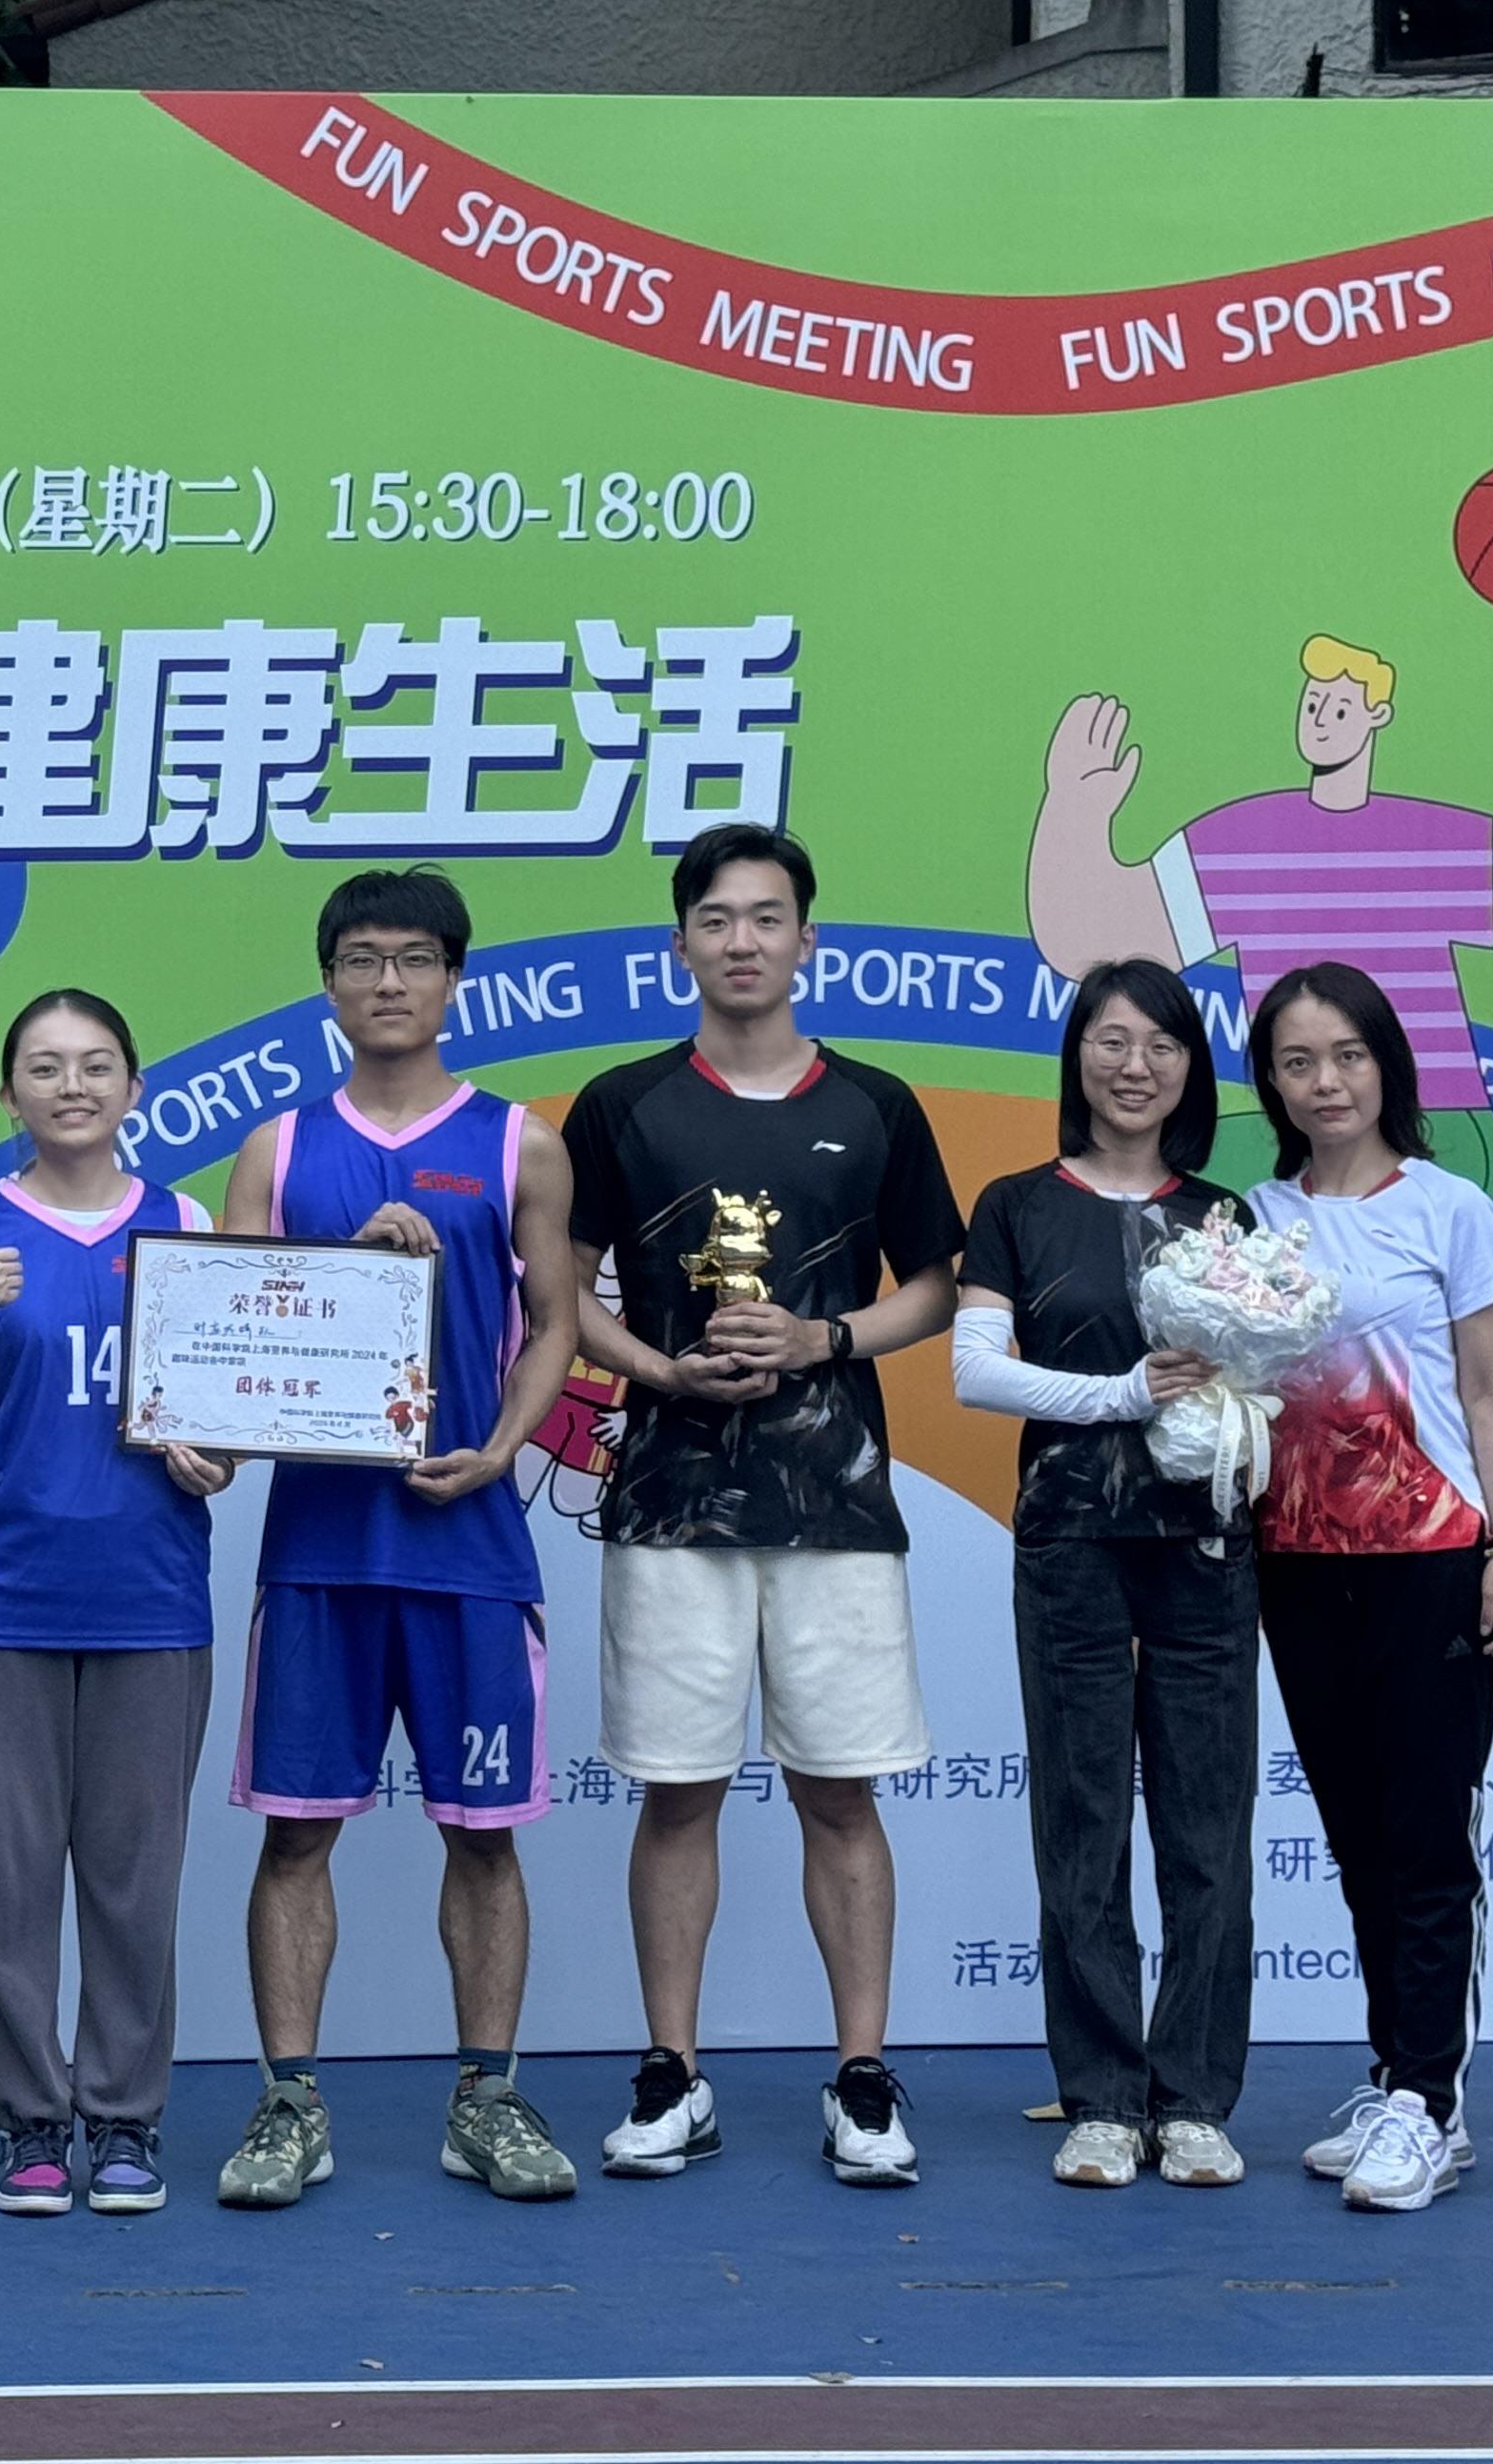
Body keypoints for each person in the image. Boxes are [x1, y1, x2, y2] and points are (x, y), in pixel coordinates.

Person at [1026, 617, 1493, 1707]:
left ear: (1378, 716)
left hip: (1439, 1126)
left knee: (1242, 1235)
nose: (1322, 717)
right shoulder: (1240, 839)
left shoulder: (1426, 836)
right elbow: (1092, 933)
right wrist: (1073, 809)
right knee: (1224, 1236)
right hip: (1291, 1166)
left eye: (1342, 703)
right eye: (1313, 701)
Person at [560, 823, 963, 2190]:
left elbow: (936, 1285)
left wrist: (822, 1340)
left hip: (834, 1503)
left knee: (839, 1796)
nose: (743, 940)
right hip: (671, 1502)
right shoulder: (622, 1105)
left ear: (806, 939)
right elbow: (559, 1291)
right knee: (677, 1796)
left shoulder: (876, 1103)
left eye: (768, 917)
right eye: (718, 919)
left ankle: (863, 2077)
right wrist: (658, 1367)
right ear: (679, 943)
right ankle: (672, 2074)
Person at [211, 867, 581, 2209]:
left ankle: (487, 2097)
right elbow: (230, 1331)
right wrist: (351, 1271)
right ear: (328, 982)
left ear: (452, 980)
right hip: (319, 1549)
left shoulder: (520, 1143)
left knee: (484, 1838)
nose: (388, 982)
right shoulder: (278, 1149)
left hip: (468, 1547)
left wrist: (501, 1448)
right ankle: (288, 2105)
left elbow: (557, 1323)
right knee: (296, 1838)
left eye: (415, 958)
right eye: (362, 958)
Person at [0, 989, 227, 2222]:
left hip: (151, 1597)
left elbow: (224, 1406)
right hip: (2, 1599)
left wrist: (216, 1457)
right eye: (44, 1066)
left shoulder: (185, 1223)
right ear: (8, 1094)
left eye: (95, 1065)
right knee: (14, 1881)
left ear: (133, 1087)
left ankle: (126, 2121)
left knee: (137, 1883)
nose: (71, 1086)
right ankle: (32, 2124)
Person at [953, 958, 1254, 2191]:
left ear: (1191, 1067)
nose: (1136, 1066)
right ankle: (1102, 2099)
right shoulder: (1018, 1204)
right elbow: (978, 1371)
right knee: (1082, 1822)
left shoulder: (1228, 1217)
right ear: (1077, 1056)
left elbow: (1267, 1375)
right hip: (1069, 1543)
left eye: (1162, 1045)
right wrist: (1122, 1394)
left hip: (1207, 1549)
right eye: (1112, 1041)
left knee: (1206, 1827)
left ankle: (1194, 2100)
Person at [1242, 959, 1493, 2215]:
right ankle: (1394, 2078)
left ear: (1387, 1066)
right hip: (1299, 1566)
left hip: (1432, 1559)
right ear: (1271, 1083)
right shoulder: (1252, 1221)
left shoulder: (1449, 1209)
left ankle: (1431, 2103)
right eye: (1298, 1062)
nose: (1327, 1082)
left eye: (1348, 1055)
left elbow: (1488, 1389)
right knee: (1358, 1840)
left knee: (1424, 1836)